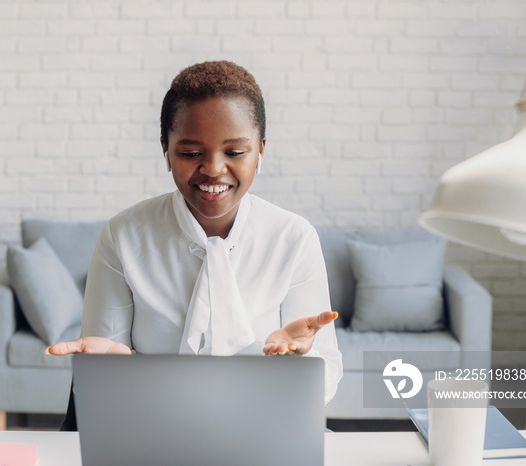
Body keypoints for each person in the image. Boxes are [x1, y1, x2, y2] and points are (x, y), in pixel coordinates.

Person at [47, 61, 343, 429]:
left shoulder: (294, 238)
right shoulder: (123, 237)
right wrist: (113, 371)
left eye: (235, 152)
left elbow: (326, 375)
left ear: (260, 149)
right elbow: (103, 386)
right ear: (165, 149)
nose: (214, 169)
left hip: (262, 430)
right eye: (190, 154)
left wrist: (293, 366)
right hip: (154, 430)